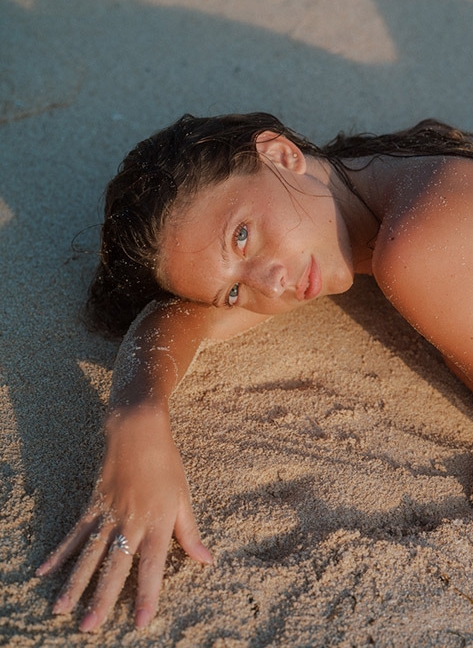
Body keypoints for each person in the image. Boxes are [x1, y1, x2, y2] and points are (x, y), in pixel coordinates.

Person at [36, 113, 473, 632]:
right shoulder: (393, 176)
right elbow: (177, 318)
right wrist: (136, 414)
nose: (270, 283)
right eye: (233, 292)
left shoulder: (415, 249)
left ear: (280, 155)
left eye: (242, 236)